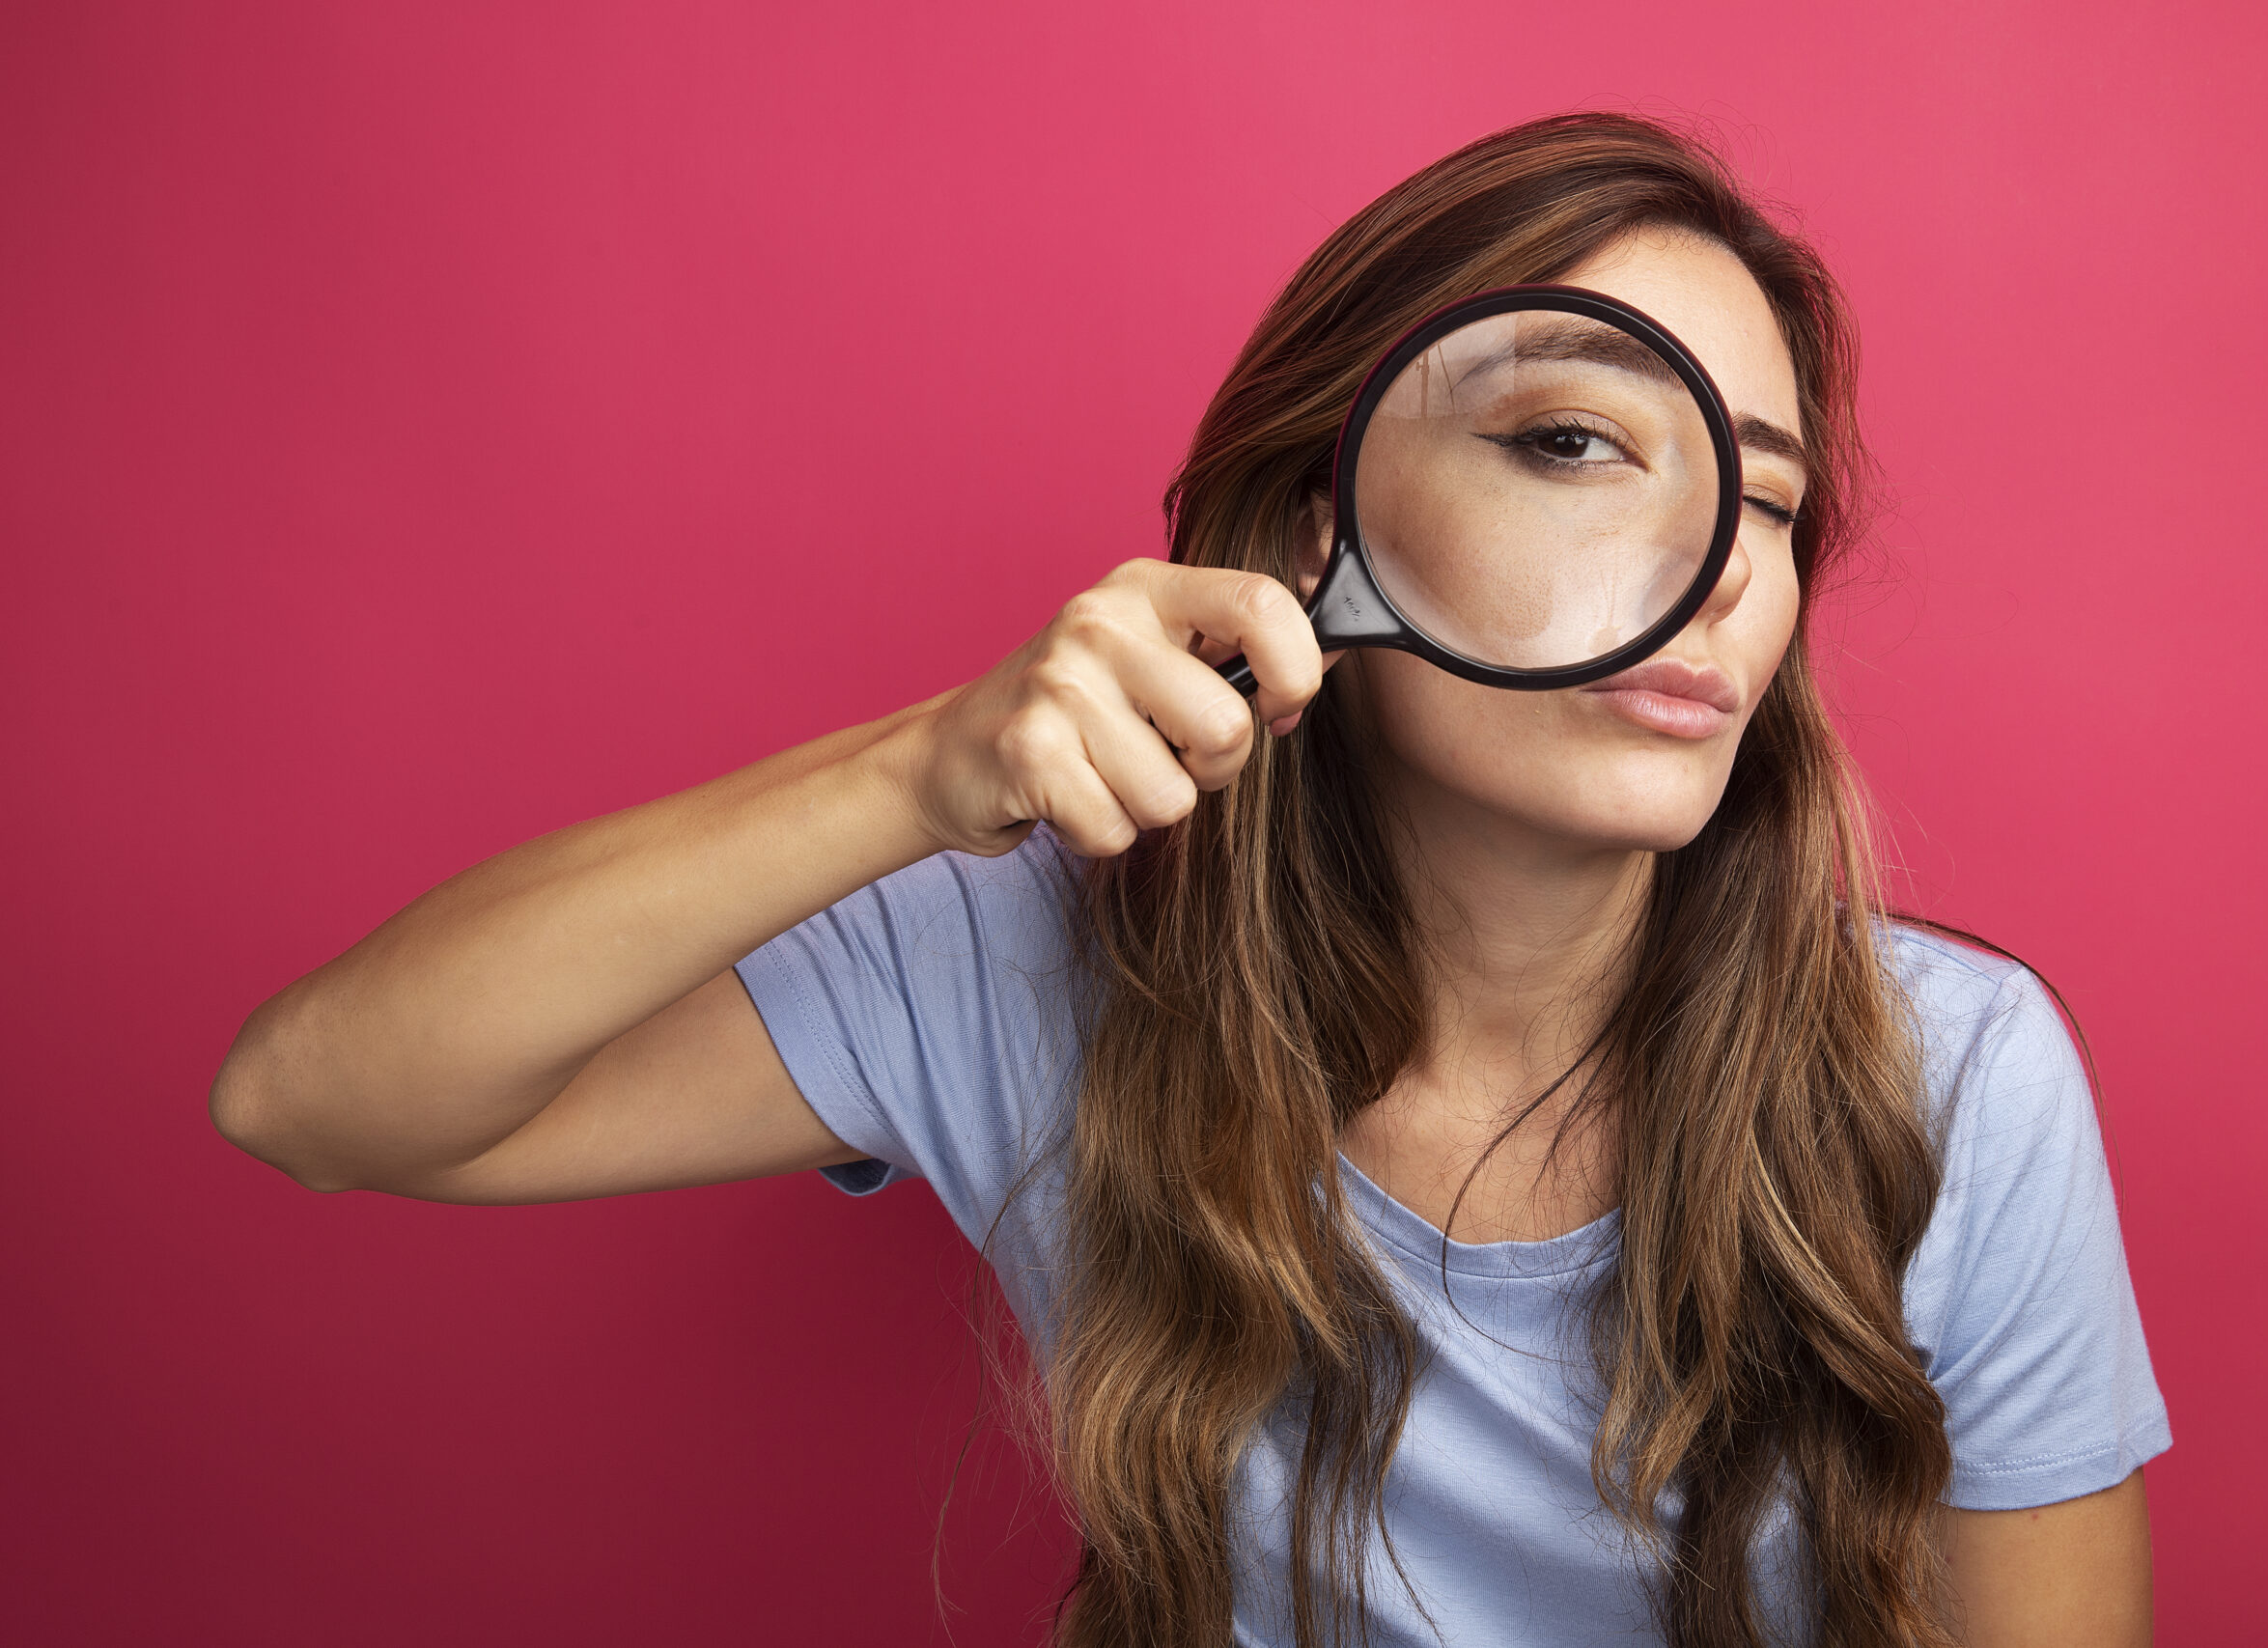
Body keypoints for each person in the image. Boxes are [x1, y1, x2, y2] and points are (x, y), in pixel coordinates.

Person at [210, 113, 2169, 1648]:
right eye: (1576, 441)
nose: (1718, 568)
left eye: (1763, 496)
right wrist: (916, 769)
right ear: (1321, 529)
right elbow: (312, 1094)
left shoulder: (1950, 1077)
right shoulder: (1022, 962)